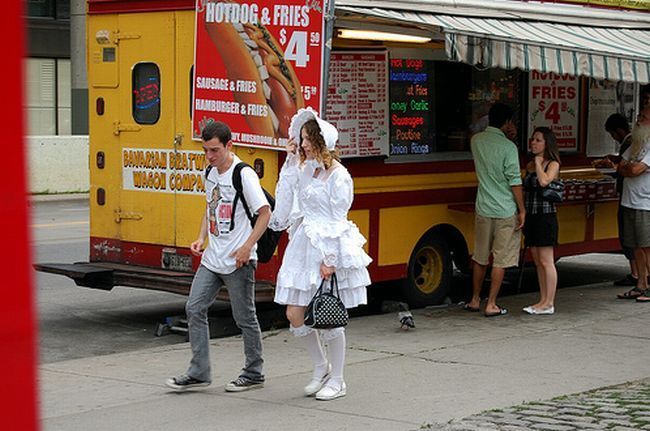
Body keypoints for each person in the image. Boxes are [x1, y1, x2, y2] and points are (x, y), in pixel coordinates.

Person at [269, 107, 371, 401]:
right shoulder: (306, 169)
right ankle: (320, 366)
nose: (301, 144)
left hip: (327, 249)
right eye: (300, 139)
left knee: (329, 319)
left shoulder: (340, 176)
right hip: (304, 245)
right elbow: (284, 209)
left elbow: (338, 220)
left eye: (306, 139)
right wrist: (289, 163)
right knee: (295, 313)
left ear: (320, 140)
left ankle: (338, 380)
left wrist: (331, 260)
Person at [166, 121, 271, 392]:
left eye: (215, 150)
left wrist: (248, 246)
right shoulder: (210, 172)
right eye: (206, 150)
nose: (210, 156)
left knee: (244, 317)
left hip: (238, 259)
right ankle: (199, 371)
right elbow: (209, 207)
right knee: (194, 307)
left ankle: (253, 372)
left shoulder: (243, 175)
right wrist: (201, 236)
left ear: (229, 146)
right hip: (213, 258)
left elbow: (264, 212)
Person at [465, 103, 525, 317]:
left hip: (483, 207)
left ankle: (474, 300)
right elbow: (514, 181)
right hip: (505, 209)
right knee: (501, 259)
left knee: (480, 256)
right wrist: (522, 209)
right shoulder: (509, 148)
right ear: (508, 122)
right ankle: (491, 303)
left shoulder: (476, 141)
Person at [521, 127, 560, 315]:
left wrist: (538, 164)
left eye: (538, 140)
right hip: (532, 214)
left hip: (546, 215)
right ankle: (542, 299)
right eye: (532, 139)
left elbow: (544, 182)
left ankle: (549, 302)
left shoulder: (553, 164)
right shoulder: (529, 165)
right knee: (537, 260)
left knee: (547, 260)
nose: (533, 143)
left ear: (546, 144)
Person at [617, 106, 650, 302]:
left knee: (647, 246)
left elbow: (635, 169)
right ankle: (641, 284)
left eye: (643, 117)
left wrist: (630, 168)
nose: (638, 120)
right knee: (636, 246)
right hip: (629, 200)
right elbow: (621, 166)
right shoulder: (636, 144)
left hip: (645, 203)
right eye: (638, 116)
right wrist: (630, 168)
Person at [604, 114, 639, 289]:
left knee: (629, 235)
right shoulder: (634, 142)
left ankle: (636, 273)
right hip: (631, 196)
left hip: (631, 196)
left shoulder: (631, 142)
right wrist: (617, 159)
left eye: (612, 134)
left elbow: (629, 168)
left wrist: (615, 166)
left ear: (618, 131)